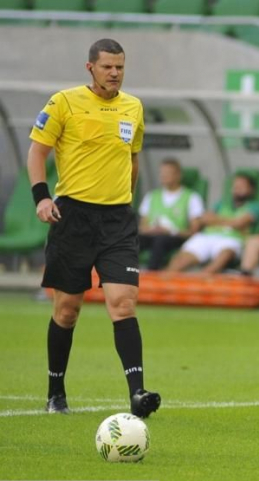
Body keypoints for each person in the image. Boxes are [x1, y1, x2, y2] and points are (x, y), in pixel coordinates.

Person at [27, 38, 160, 417]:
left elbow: (132, 161)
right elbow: (38, 151)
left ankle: (137, 395)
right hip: (74, 218)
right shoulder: (63, 102)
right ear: (91, 68)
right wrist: (41, 197)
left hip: (117, 219)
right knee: (67, 309)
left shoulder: (133, 107)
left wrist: (125, 200)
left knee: (123, 304)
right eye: (107, 67)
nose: (115, 73)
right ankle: (56, 392)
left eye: (120, 67)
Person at [167, 173, 259, 274]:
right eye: (235, 186)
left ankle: (200, 280)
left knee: (223, 257)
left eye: (242, 186)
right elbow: (203, 218)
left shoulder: (256, 207)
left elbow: (239, 223)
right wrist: (230, 222)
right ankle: (161, 283)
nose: (237, 188)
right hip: (206, 237)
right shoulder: (221, 204)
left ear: (251, 189)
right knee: (179, 261)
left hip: (231, 239)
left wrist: (216, 220)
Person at [137, 158, 204, 270]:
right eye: (162, 173)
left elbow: (194, 231)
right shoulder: (151, 196)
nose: (163, 176)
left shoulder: (191, 197)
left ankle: (152, 274)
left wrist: (170, 231)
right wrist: (153, 229)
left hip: (175, 237)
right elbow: (143, 226)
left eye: (168, 173)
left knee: (161, 241)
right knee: (133, 240)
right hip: (152, 235)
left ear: (178, 175)